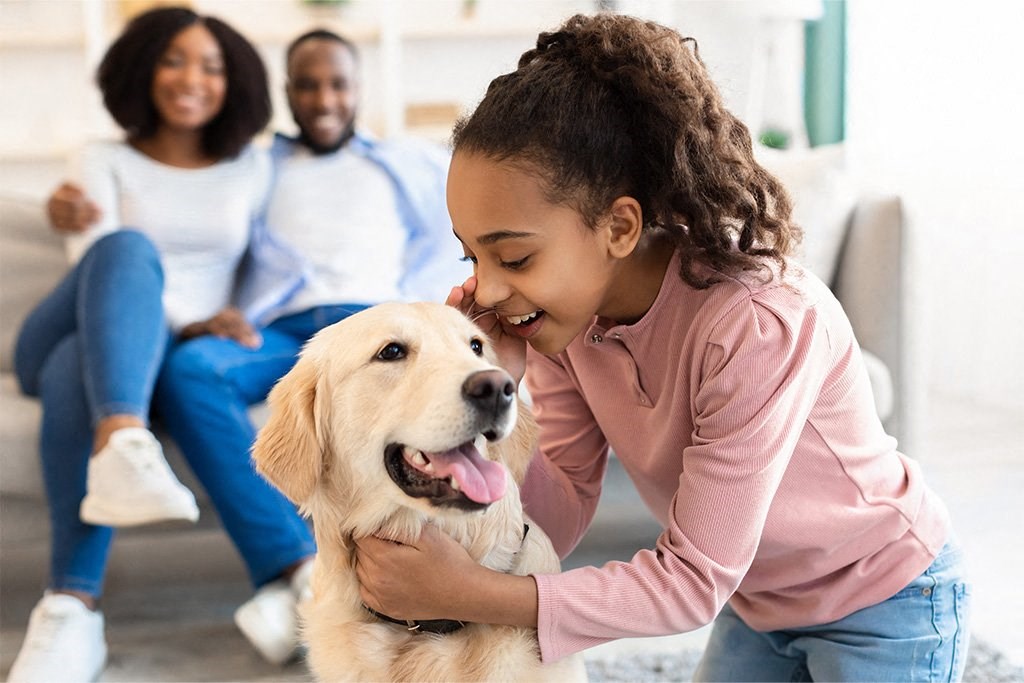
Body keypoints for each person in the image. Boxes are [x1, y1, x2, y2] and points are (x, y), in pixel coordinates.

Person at [351, 13, 972, 682]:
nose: (489, 289)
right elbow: (555, 519)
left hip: (885, 595)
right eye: (473, 254)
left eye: (515, 256)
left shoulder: (755, 324)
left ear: (619, 226)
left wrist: (468, 595)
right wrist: (490, 398)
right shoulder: (566, 323)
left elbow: (691, 580)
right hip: (759, 600)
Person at [152, 29, 464, 664]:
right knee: (190, 370)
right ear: (287, 93)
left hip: (374, 324)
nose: (324, 98)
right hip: (286, 330)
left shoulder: (405, 162)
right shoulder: (254, 168)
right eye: (308, 84)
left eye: (338, 83)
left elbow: (462, 221)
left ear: (358, 90)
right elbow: (184, 216)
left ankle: (421, 588)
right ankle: (296, 566)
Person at [9, 8, 273, 682]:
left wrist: (235, 318)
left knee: (79, 371)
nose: (193, 78)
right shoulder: (100, 160)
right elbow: (98, 266)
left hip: (108, 362)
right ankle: (125, 433)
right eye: (174, 60)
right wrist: (190, 323)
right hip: (80, 323)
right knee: (125, 248)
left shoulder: (250, 167)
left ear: (234, 81)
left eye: (212, 66)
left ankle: (70, 608)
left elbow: (267, 267)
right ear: (143, 67)